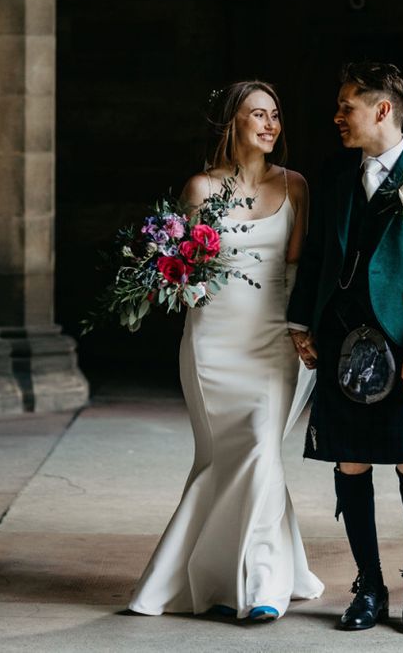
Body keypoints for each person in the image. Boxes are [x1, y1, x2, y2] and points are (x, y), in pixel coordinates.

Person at [129, 81, 324, 622]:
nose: (269, 124)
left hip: (274, 338)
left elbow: (296, 270)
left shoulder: (297, 187)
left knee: (261, 446)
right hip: (213, 341)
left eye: (275, 115)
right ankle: (217, 577)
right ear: (230, 124)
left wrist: (304, 330)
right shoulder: (198, 189)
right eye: (257, 114)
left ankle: (260, 585)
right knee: (226, 458)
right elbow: (182, 272)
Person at [287, 62, 403, 634]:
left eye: (347, 106)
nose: (337, 117)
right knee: (351, 460)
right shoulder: (338, 176)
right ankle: (369, 585)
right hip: (343, 342)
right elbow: (317, 257)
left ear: (382, 110)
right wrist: (302, 323)